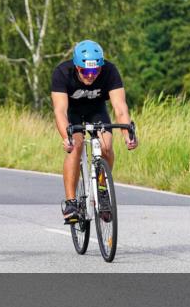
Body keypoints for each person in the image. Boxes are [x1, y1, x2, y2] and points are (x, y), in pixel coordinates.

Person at [52, 40, 138, 224]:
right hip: (72, 112)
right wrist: (66, 137)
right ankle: (71, 203)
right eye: (86, 71)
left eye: (95, 71)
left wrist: (127, 135)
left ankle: (102, 190)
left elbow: (120, 108)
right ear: (76, 67)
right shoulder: (62, 73)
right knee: (76, 145)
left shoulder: (109, 71)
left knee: (106, 146)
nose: (91, 76)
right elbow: (59, 110)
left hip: (96, 110)